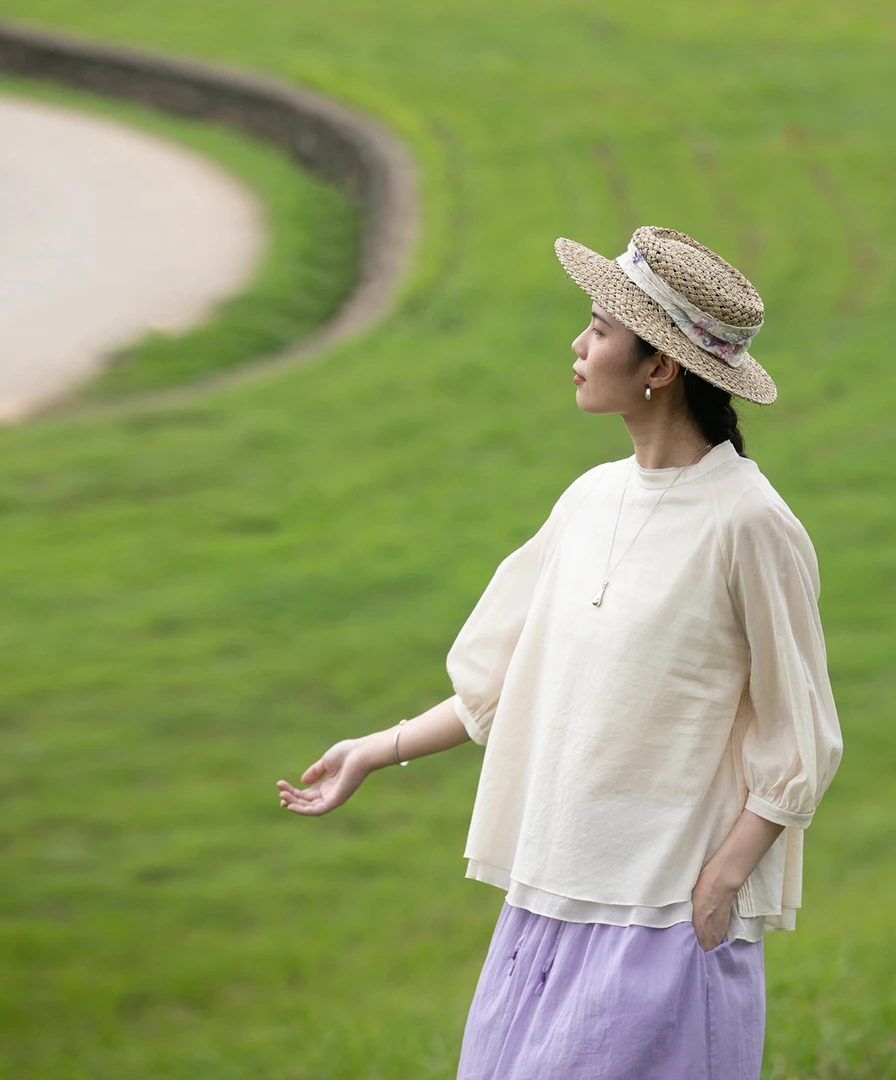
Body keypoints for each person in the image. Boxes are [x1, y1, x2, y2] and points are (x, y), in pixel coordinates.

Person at [276, 225, 844, 1080]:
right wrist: (374, 749)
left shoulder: (750, 523)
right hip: (545, 902)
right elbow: (505, 684)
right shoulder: (589, 499)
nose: (578, 347)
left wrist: (722, 881)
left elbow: (803, 737)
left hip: (661, 922)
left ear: (659, 368)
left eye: (600, 330)